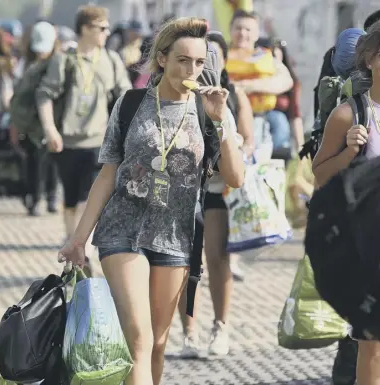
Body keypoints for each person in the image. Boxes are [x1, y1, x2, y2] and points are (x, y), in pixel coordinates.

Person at [58, 16, 245, 385]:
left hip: (176, 237)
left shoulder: (211, 110)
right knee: (139, 339)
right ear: (162, 59)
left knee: (157, 344)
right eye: (182, 60)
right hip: (122, 231)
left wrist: (221, 121)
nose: (191, 69)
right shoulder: (130, 104)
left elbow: (235, 178)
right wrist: (78, 238)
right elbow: (108, 174)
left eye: (199, 62)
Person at [312, 18, 380, 385]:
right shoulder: (348, 114)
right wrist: (349, 152)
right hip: (366, 245)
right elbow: (320, 173)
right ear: (369, 61)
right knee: (372, 345)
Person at [176, 30, 255, 358]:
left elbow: (247, 140)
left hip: (218, 188)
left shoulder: (231, 96)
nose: (206, 63)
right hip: (183, 190)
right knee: (185, 264)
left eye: (211, 56)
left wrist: (233, 148)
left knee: (217, 259)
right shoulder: (178, 96)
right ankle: (188, 332)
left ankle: (220, 326)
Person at [36, 5, 131, 252]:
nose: (107, 33)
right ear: (85, 29)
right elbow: (44, 95)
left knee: (87, 196)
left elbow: (126, 97)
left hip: (100, 141)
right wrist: (50, 130)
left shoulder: (111, 60)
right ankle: (73, 239)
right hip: (67, 140)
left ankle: (82, 243)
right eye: (102, 28)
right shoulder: (64, 59)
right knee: (69, 196)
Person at [226, 10, 293, 160]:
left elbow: (285, 81)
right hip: (230, 118)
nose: (242, 33)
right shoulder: (221, 56)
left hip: (261, 117)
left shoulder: (265, 56)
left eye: (248, 29)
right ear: (230, 31)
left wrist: (246, 86)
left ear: (256, 34)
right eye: (238, 28)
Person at [10, 21, 60, 216]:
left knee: (53, 161)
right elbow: (18, 96)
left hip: (53, 120)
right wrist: (16, 123)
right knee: (34, 161)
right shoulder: (25, 66)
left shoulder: (58, 62)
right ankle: (35, 197)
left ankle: (52, 197)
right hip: (30, 122)